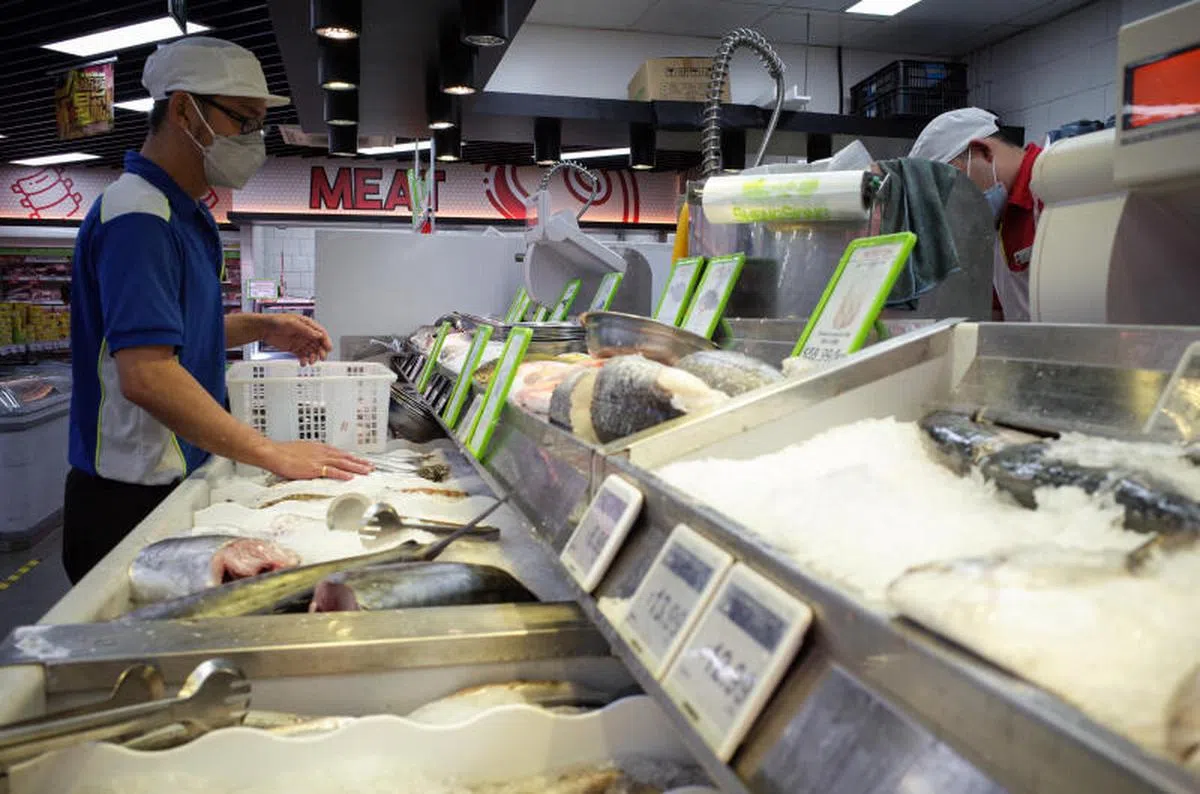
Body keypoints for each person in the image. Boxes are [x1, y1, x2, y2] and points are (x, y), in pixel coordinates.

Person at [65, 37, 371, 584]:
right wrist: (271, 453)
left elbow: (168, 335)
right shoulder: (139, 215)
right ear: (184, 110)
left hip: (178, 475)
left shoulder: (186, 214)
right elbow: (147, 374)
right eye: (244, 121)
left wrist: (263, 325)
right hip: (129, 498)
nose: (255, 140)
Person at [908, 107, 1043, 322]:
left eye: (954, 189)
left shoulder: (1050, 187)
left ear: (983, 152)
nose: (955, 206)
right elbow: (998, 313)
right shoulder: (995, 220)